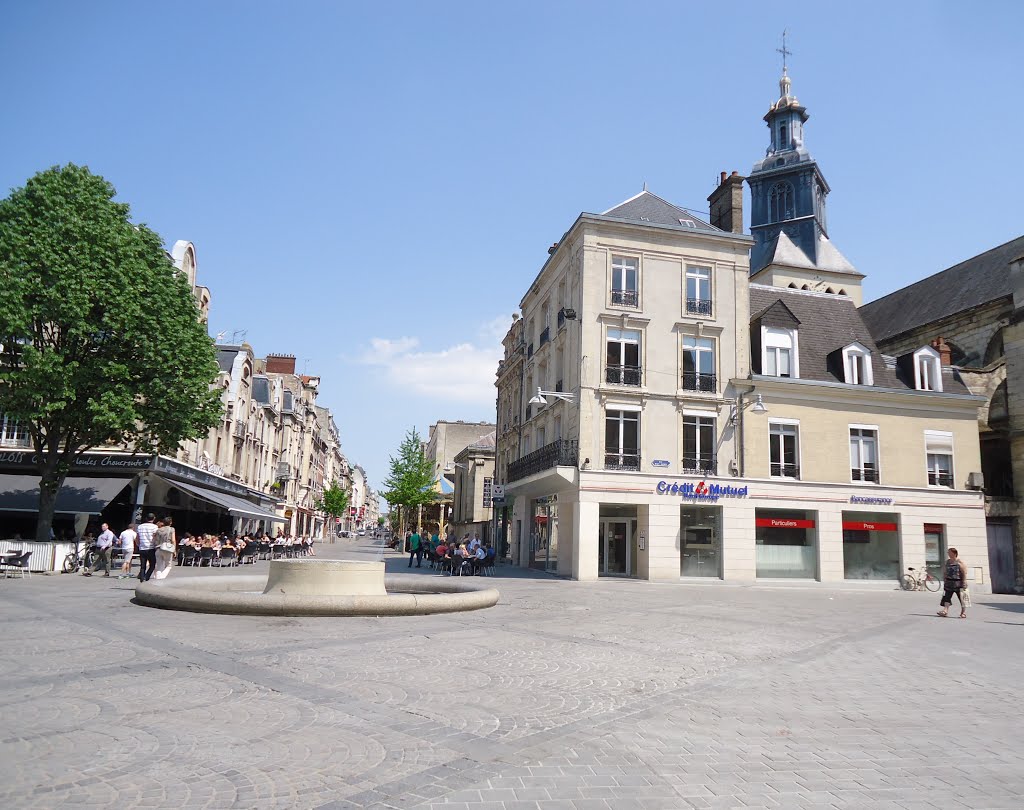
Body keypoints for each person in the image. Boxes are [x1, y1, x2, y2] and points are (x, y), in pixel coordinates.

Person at [937, 547, 968, 618]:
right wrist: (944, 579)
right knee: (947, 597)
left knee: (962, 599)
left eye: (949, 552)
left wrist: (964, 582)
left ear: (954, 553)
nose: (948, 554)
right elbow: (945, 572)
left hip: (958, 583)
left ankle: (963, 613)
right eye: (948, 552)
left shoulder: (959, 562)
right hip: (949, 582)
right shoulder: (947, 562)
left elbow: (964, 572)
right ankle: (945, 611)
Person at [136, 513, 159, 582]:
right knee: (152, 565)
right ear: (154, 518)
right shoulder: (155, 527)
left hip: (142, 548)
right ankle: (146, 577)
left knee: (143, 565)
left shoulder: (140, 527)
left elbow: (137, 538)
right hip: (151, 548)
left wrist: (138, 545)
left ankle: (142, 578)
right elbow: (155, 537)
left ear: (146, 518)